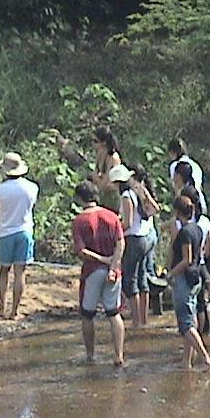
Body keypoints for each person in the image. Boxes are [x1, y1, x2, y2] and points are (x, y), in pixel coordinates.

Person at [71, 181, 126, 367]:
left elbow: (81, 251)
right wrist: (113, 265)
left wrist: (102, 260)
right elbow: (121, 243)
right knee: (114, 313)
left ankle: (90, 355)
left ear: (80, 199)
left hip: (92, 272)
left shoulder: (79, 221)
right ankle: (118, 355)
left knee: (87, 315)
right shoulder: (112, 216)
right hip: (114, 271)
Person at [167, 195, 210, 370]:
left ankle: (205, 358)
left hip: (184, 279)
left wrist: (170, 274)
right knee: (191, 320)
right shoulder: (198, 229)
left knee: (186, 324)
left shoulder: (186, 232)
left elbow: (186, 259)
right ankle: (186, 361)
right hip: (195, 277)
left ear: (177, 212)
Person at [109, 164, 157, 328]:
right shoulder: (137, 191)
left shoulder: (126, 196)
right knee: (142, 278)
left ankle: (136, 321)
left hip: (135, 239)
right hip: (146, 237)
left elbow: (128, 222)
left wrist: (115, 231)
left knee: (130, 281)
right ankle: (143, 320)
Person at [0, 153, 39, 320]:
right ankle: (15, 311)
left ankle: (2, 306)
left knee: (4, 270)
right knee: (20, 273)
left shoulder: (0, 190)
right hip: (24, 231)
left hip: (5, 232)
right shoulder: (32, 187)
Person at [178, 185, 210, 333]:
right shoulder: (204, 221)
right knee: (200, 303)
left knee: (188, 305)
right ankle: (201, 333)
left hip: (186, 267)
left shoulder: (182, 223)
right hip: (200, 265)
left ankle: (192, 335)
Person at [90, 126, 123, 209]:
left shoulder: (113, 158)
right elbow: (94, 174)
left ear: (104, 142)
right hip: (102, 194)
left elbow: (107, 182)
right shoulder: (100, 154)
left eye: (95, 141)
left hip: (112, 197)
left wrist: (99, 179)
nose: (93, 144)